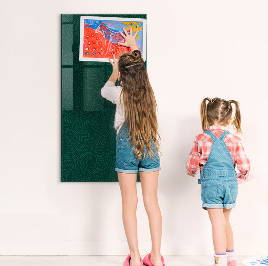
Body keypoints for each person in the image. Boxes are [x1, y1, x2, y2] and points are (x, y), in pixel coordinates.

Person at [100, 28, 165, 266]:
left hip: (126, 146)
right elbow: (140, 70)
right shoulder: (149, 93)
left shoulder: (120, 94)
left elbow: (104, 90)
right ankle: (156, 257)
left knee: (130, 203)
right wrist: (135, 46)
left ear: (124, 77)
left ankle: (136, 259)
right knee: (152, 202)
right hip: (149, 145)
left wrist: (114, 71)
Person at [186, 98, 251, 266]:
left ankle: (220, 261)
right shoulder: (234, 139)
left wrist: (192, 171)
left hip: (211, 186)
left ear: (207, 117)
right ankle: (231, 260)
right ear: (229, 120)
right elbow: (244, 165)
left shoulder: (201, 138)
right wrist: (243, 176)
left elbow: (191, 164)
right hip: (230, 185)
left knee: (217, 224)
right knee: (225, 222)